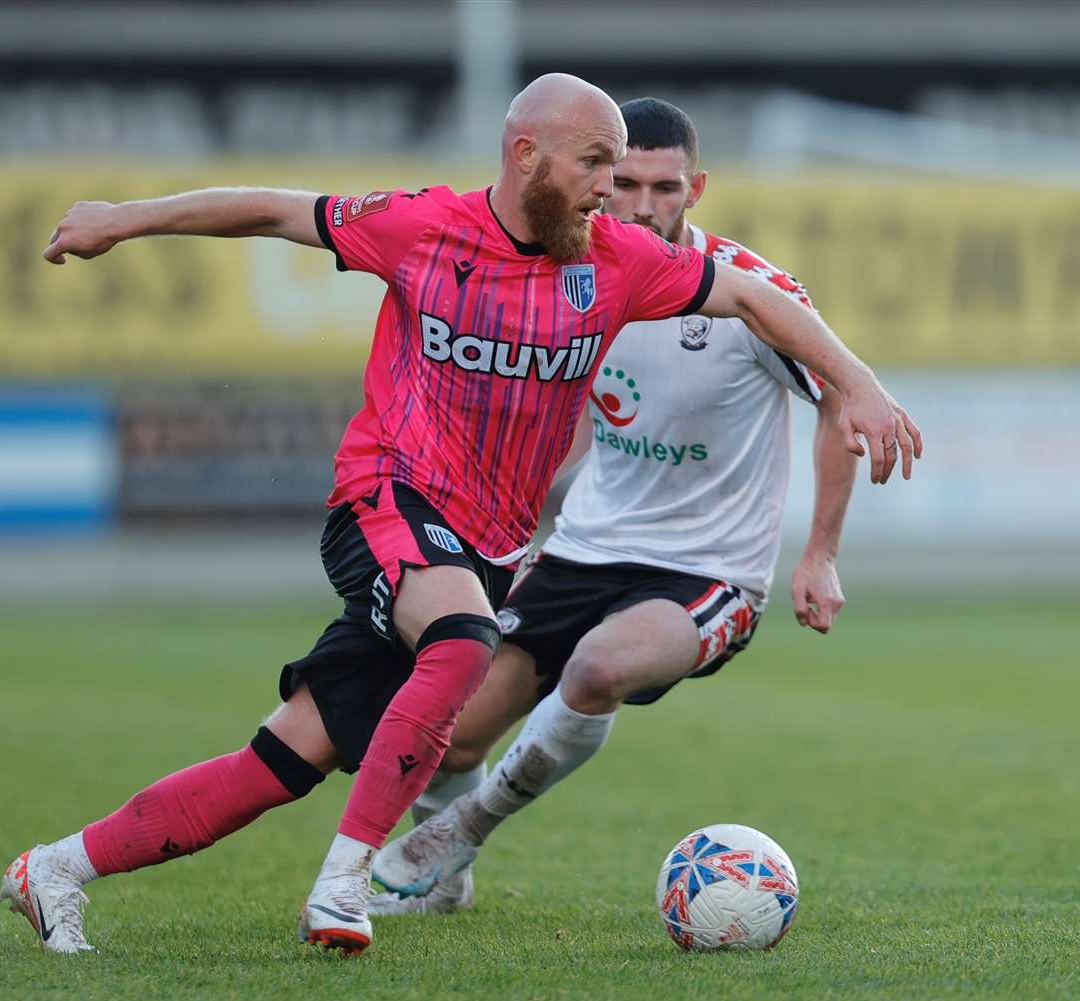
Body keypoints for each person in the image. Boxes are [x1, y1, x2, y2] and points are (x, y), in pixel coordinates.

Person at [0, 74, 921, 957]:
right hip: (386, 496)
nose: (615, 192)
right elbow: (277, 208)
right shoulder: (422, 227)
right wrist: (124, 220)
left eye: (634, 174)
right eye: (599, 166)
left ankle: (56, 869)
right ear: (528, 157)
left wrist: (861, 384)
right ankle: (349, 881)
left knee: (285, 760)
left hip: (488, 545)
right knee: (464, 641)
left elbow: (757, 298)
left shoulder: (616, 263)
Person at [368, 97, 858, 913]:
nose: (641, 205)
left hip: (708, 569)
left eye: (664, 187)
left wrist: (821, 553)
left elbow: (840, 401)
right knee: (451, 729)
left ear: (695, 188)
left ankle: (463, 830)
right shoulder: (569, 276)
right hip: (584, 548)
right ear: (595, 179)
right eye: (623, 182)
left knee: (599, 668)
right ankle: (443, 882)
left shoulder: (749, 294)